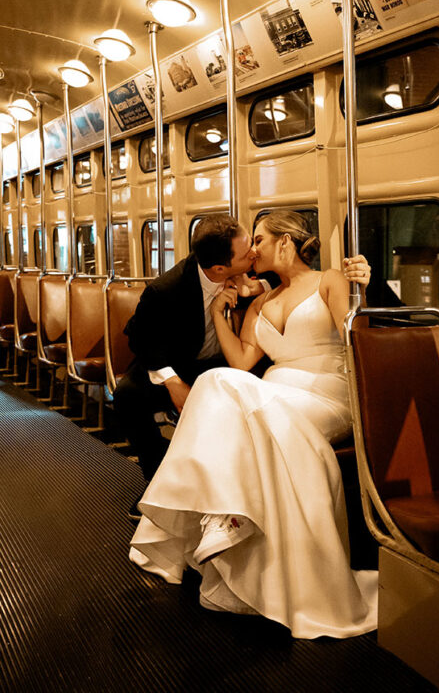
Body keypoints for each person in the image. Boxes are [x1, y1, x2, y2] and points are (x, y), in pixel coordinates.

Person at [129, 211, 377, 639]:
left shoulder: (331, 280)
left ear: (285, 242)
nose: (254, 250)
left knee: (221, 389)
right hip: (275, 391)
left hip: (326, 394)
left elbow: (357, 338)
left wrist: (364, 293)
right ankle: (227, 518)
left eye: (259, 240)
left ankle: (222, 513)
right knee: (219, 382)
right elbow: (242, 361)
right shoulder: (258, 302)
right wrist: (222, 316)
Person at [113, 214, 264, 495]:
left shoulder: (253, 267)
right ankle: (160, 480)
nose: (255, 253)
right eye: (246, 253)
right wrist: (172, 382)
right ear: (219, 268)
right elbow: (139, 336)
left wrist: (258, 287)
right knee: (127, 397)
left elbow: (285, 281)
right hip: (180, 363)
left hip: (227, 362)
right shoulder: (166, 290)